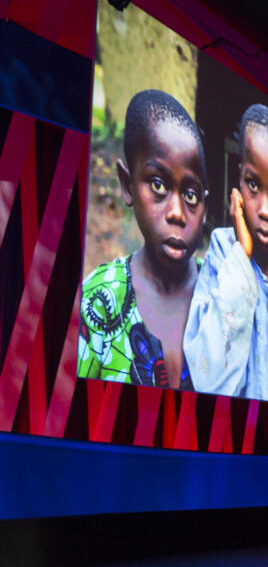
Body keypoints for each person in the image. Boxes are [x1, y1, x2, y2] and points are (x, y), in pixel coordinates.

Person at [79, 89, 207, 389]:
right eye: (158, 184)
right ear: (127, 185)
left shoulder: (222, 293)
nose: (177, 213)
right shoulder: (98, 301)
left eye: (191, 194)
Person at [183, 103, 268, 400]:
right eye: (253, 185)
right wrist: (241, 255)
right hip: (229, 436)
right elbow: (208, 380)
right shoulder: (221, 253)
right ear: (238, 181)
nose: (264, 210)